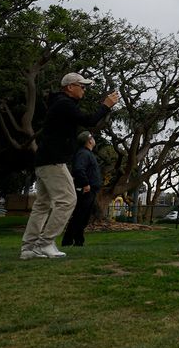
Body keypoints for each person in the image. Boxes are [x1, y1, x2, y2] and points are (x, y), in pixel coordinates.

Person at [21, 73, 119, 260]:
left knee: (42, 205)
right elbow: (89, 121)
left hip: (44, 160)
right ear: (69, 87)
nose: (84, 89)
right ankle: (45, 243)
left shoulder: (61, 104)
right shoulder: (64, 104)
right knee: (67, 200)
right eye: (81, 86)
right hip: (53, 161)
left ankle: (28, 248)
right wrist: (106, 105)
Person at [61, 132, 102, 247]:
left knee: (84, 217)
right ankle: (67, 241)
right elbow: (78, 169)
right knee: (79, 215)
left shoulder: (87, 153)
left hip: (90, 190)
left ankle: (78, 241)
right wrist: (85, 183)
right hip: (86, 190)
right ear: (89, 141)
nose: (94, 139)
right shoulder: (83, 154)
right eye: (92, 137)